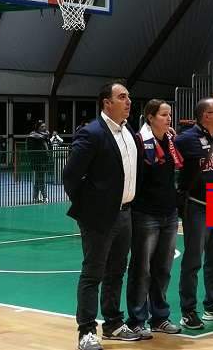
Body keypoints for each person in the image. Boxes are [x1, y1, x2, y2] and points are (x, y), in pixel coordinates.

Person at [63, 81, 142, 350]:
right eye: (122, 97)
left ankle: (113, 323)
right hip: (99, 217)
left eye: (128, 97)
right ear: (106, 103)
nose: (128, 101)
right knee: (93, 273)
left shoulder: (128, 130)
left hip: (125, 214)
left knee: (116, 271)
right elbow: (70, 175)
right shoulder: (92, 133)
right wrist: (88, 206)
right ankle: (86, 330)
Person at [176, 97, 213, 329]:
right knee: (193, 260)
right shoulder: (186, 139)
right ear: (205, 116)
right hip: (198, 204)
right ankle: (188, 310)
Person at [125, 100, 183, 338]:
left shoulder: (171, 141)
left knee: (163, 268)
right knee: (141, 269)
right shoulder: (139, 142)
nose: (168, 118)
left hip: (169, 214)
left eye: (169, 114)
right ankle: (137, 319)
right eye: (163, 115)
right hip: (145, 213)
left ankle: (160, 316)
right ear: (150, 117)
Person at [27, 121, 50, 203]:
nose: (44, 128)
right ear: (38, 127)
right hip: (37, 161)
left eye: (45, 126)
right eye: (42, 126)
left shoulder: (45, 137)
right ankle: (45, 197)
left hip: (43, 161)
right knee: (41, 180)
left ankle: (35, 198)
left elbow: (47, 147)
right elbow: (30, 149)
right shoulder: (32, 136)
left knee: (38, 180)